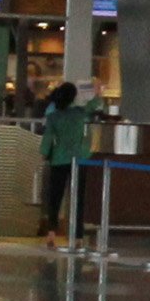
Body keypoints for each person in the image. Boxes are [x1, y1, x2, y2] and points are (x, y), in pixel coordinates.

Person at [36, 82, 97, 241]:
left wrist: (43, 154)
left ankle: (51, 232)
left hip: (59, 158)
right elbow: (96, 106)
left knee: (55, 197)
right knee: (78, 197)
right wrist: (96, 91)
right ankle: (78, 235)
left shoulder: (54, 115)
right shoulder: (80, 113)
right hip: (79, 159)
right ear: (73, 97)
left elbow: (48, 137)